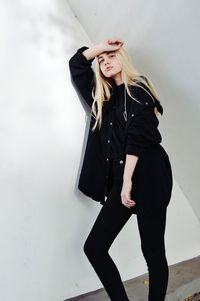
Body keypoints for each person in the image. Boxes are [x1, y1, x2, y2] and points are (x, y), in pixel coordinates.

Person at [68, 37, 173, 301]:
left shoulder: (139, 88)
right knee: (95, 247)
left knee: (152, 251)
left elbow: (137, 138)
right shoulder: (105, 99)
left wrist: (126, 181)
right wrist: (100, 48)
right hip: (123, 180)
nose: (104, 62)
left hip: (149, 176)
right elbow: (77, 65)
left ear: (123, 59)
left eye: (111, 57)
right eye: (102, 60)